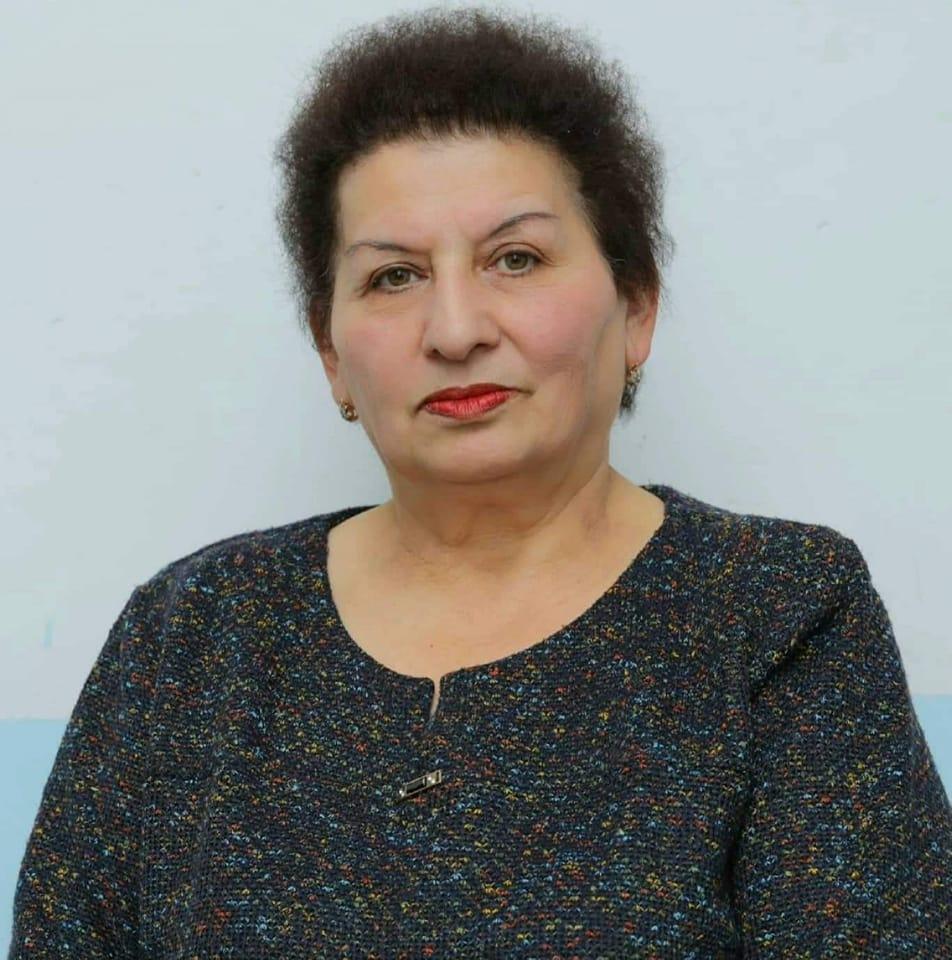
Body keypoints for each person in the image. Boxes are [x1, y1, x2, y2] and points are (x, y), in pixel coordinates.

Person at [9, 6, 951, 958]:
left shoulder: (780, 610)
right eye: (393, 277)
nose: (455, 330)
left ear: (635, 310)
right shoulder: (192, 632)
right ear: (332, 355)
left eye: (516, 259)